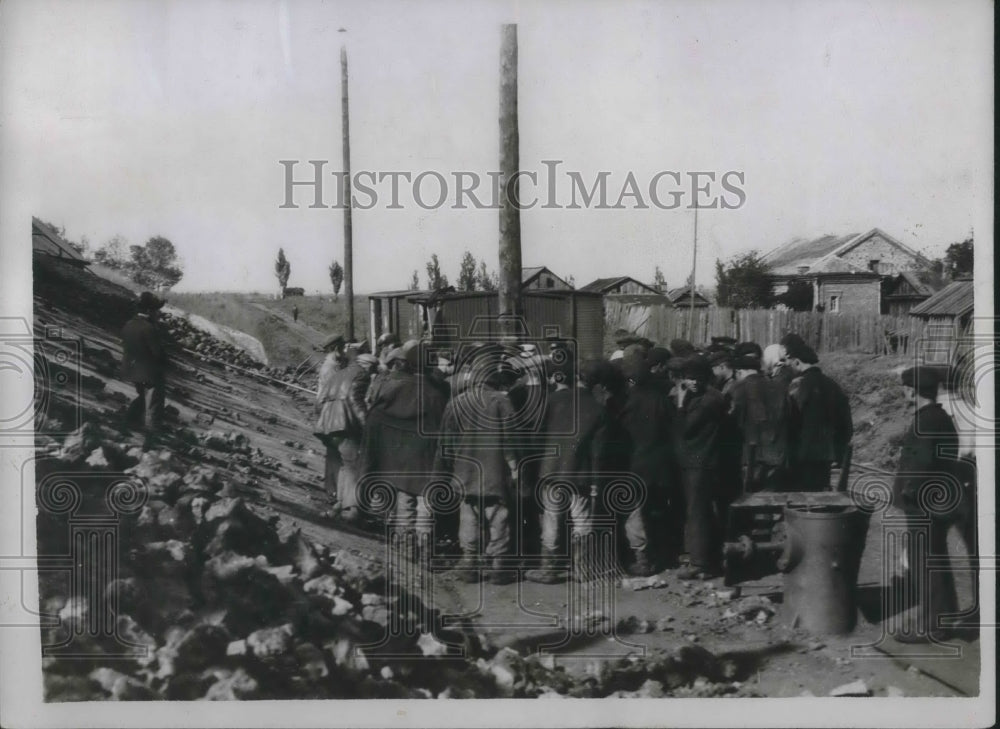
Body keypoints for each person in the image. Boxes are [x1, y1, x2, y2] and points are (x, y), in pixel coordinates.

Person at [526, 359, 630, 584]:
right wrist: (595, 480)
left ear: (577, 377)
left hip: (551, 471)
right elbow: (598, 453)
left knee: (552, 519)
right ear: (597, 384)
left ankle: (548, 569)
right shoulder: (599, 410)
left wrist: (544, 460)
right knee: (582, 521)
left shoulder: (553, 400)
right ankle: (583, 570)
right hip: (580, 474)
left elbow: (536, 437)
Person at [891, 366, 974, 642]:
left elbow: (923, 460)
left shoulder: (926, 420)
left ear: (913, 391)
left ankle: (932, 626)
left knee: (925, 562)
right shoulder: (939, 417)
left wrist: (910, 491)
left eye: (905, 388)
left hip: (922, 503)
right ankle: (942, 617)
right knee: (934, 560)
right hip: (935, 500)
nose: (904, 392)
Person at [436, 344, 520, 585]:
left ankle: (469, 564)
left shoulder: (456, 403)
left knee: (469, 517)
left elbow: (446, 443)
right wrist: (514, 469)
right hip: (495, 474)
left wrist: (450, 470)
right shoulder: (502, 403)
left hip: (465, 473)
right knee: (498, 519)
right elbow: (511, 441)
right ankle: (498, 565)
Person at [362, 340, 447, 560]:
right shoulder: (436, 393)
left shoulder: (395, 388)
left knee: (404, 504)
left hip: (399, 461)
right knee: (426, 507)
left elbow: (375, 417)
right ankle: (426, 553)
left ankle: (407, 551)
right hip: (428, 461)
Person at [618, 345, 674, 575]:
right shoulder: (662, 398)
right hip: (659, 464)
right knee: (657, 510)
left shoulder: (625, 402)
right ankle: (661, 554)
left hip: (634, 463)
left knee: (634, 511)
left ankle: (642, 559)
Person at [673, 354, 727, 579]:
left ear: (706, 377)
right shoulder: (714, 396)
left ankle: (699, 562)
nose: (692, 382)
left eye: (697, 378)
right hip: (703, 461)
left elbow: (684, 428)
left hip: (699, 463)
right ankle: (705, 558)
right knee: (703, 510)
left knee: (697, 512)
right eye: (688, 378)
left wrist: (679, 404)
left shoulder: (705, 401)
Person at [314, 333, 370, 522]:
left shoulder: (339, 373)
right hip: (342, 424)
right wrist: (366, 428)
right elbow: (355, 401)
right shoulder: (358, 374)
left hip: (328, 425)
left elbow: (319, 401)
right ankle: (352, 511)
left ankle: (339, 504)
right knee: (353, 466)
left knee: (343, 465)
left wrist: (326, 419)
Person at [783, 341, 852, 491]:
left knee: (799, 500)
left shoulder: (798, 384)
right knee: (820, 497)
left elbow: (789, 419)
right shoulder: (833, 385)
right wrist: (838, 450)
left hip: (801, 455)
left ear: (796, 362)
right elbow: (846, 424)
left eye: (789, 363)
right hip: (826, 455)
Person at [728, 353, 789, 492]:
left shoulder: (738, 388)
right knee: (769, 499)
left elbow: (732, 420)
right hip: (776, 454)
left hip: (749, 455)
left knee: (748, 499)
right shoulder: (780, 387)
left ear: (739, 372)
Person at [120, 291, 168, 441]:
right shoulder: (149, 328)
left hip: (131, 369)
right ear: (149, 311)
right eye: (157, 310)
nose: (159, 313)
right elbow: (158, 354)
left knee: (142, 398)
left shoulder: (129, 324)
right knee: (154, 404)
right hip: (149, 372)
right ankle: (151, 437)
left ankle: (126, 424)